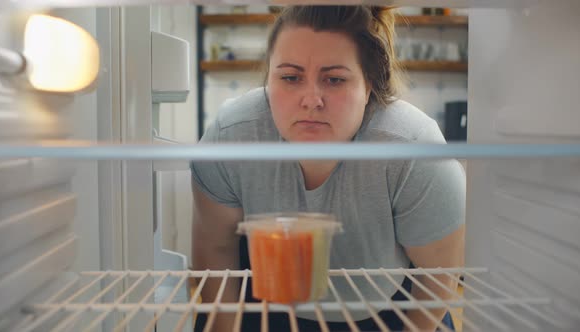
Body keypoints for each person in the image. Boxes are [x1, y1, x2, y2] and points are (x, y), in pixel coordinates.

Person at [191, 5, 465, 332]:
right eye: (290, 77)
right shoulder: (231, 135)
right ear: (270, 79)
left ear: (369, 88)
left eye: (334, 79)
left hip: (392, 311)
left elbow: (438, 276)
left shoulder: (411, 147)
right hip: (264, 303)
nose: (311, 99)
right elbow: (215, 250)